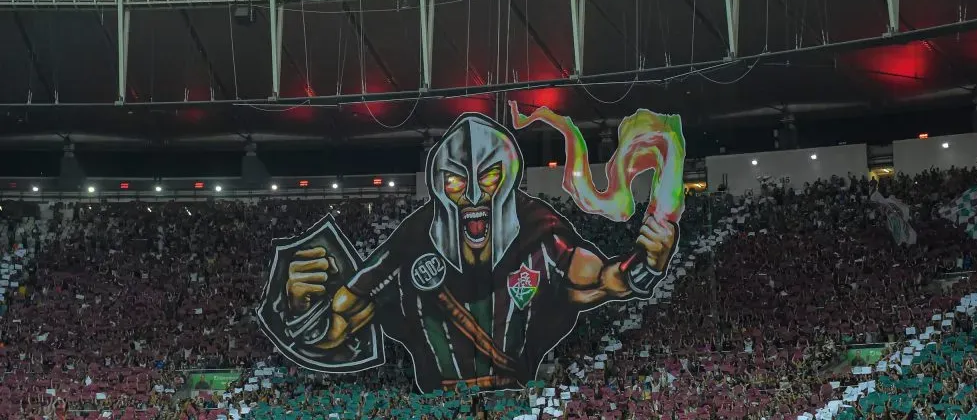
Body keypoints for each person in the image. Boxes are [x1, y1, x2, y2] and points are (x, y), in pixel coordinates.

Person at [274, 113, 678, 391]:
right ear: (437, 184)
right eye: (454, 182)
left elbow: (604, 280)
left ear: (508, 178)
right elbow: (338, 322)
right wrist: (301, 307)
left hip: (513, 398)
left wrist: (646, 263)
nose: (470, 195)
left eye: (487, 177)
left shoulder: (541, 234)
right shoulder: (411, 243)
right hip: (439, 403)